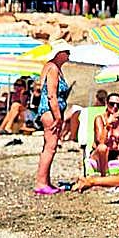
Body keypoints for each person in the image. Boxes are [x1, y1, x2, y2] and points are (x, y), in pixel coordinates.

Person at [33, 43, 72, 195]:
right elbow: (51, 95)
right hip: (50, 113)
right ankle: (41, 183)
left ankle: (45, 181)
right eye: (66, 51)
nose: (69, 54)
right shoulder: (53, 69)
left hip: (48, 112)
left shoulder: (50, 67)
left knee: (48, 147)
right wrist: (58, 117)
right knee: (51, 147)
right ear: (59, 53)